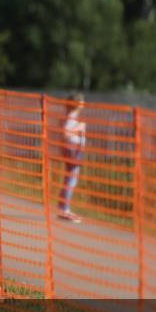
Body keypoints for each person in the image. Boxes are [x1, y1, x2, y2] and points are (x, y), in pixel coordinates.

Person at [57, 93, 87, 222]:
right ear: (77, 104)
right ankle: (65, 210)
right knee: (71, 180)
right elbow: (65, 132)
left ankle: (63, 208)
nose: (83, 104)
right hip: (73, 149)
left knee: (69, 179)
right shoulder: (71, 116)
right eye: (82, 102)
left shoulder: (69, 115)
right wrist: (80, 127)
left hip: (72, 148)